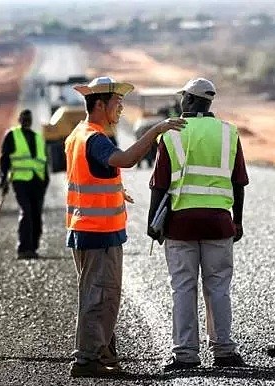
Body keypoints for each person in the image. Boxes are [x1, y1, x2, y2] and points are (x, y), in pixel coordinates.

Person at [66, 76, 185, 378]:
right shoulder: (95, 138)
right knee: (101, 295)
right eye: (117, 104)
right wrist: (156, 131)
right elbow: (127, 160)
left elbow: (89, 178)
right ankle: (87, 359)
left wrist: (116, 191)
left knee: (98, 293)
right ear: (100, 105)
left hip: (87, 228)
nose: (120, 109)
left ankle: (102, 351)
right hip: (98, 232)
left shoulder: (78, 134)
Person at [147, 77, 249, 372]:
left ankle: (185, 355)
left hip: (180, 225)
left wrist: (153, 222)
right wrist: (237, 221)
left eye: (183, 98)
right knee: (218, 287)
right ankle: (224, 351)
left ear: (190, 100)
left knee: (183, 287)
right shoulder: (229, 133)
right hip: (219, 222)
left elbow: (159, 185)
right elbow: (239, 183)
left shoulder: (171, 134)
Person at [0, 109, 49, 259]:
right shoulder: (12, 135)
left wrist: (45, 181)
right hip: (20, 180)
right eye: (24, 117)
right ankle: (24, 249)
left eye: (29, 118)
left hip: (38, 182)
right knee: (26, 211)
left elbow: (44, 162)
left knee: (36, 214)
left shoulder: (38, 138)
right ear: (20, 119)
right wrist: (3, 179)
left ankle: (33, 248)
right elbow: (5, 159)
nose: (27, 120)